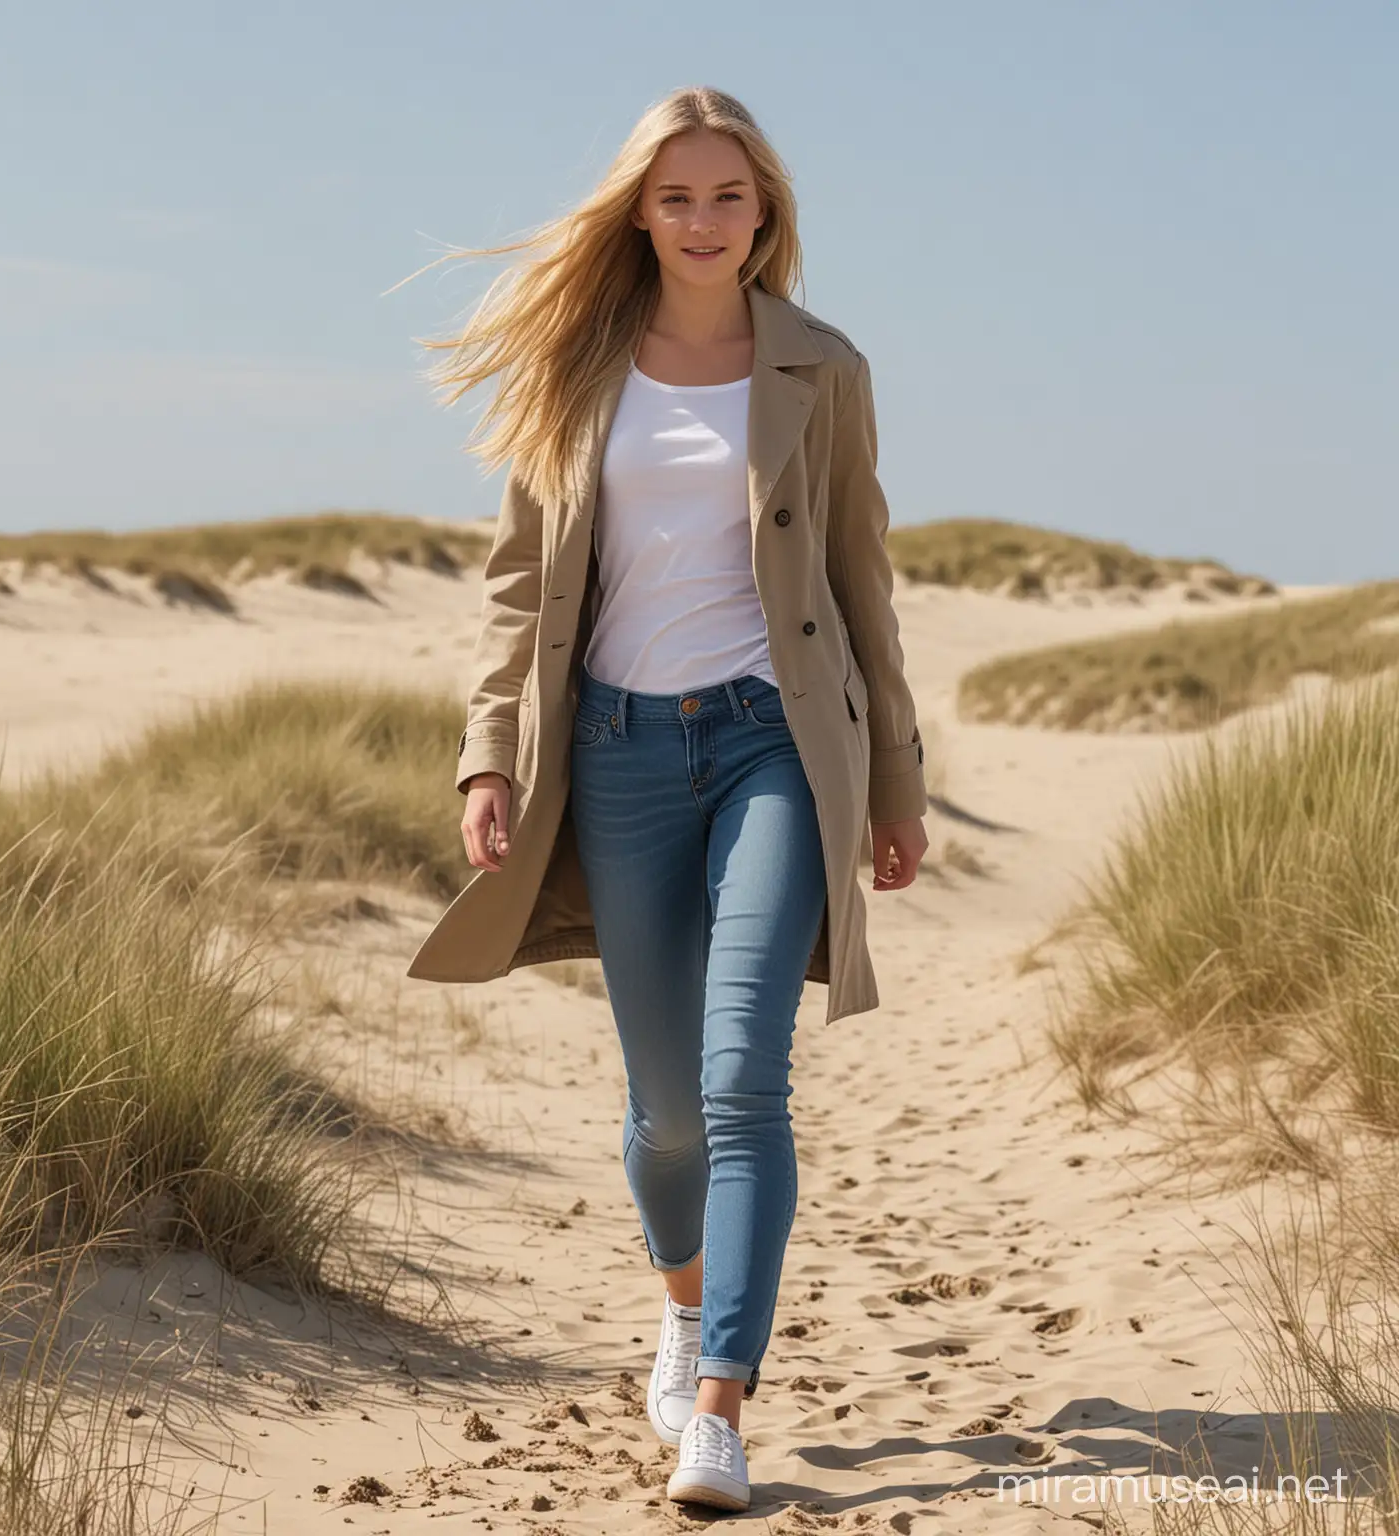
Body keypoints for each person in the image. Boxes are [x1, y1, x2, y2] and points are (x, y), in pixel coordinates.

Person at [401, 85, 929, 1513]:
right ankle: (684, 1302)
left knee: (743, 1074)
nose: (704, 221)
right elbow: (517, 586)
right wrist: (489, 755)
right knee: (665, 1113)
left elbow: (860, 582)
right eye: (678, 195)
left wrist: (894, 779)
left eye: (730, 196)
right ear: (640, 209)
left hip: (777, 743)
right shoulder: (578, 369)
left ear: (768, 213)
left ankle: (720, 1408)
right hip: (620, 755)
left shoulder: (825, 369)